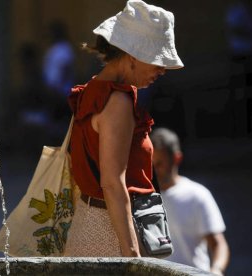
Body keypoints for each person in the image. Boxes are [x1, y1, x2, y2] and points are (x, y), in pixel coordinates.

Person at [64, 0, 184, 257]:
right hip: (111, 233)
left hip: (90, 224)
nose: (162, 70)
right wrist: (132, 256)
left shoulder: (92, 90)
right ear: (133, 55)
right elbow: (112, 183)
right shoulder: (117, 101)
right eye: (157, 60)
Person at [150, 128, 230, 275]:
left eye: (160, 164)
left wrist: (216, 271)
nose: (155, 170)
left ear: (177, 158)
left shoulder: (197, 195)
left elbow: (218, 244)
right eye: (151, 164)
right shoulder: (144, 197)